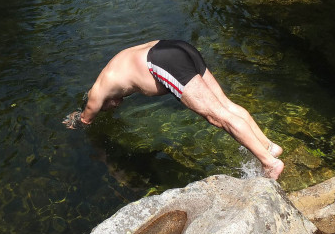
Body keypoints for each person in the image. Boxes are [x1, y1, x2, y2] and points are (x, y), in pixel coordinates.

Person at [64, 40, 284, 179]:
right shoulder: (112, 71)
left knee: (217, 116)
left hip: (163, 61)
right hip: (177, 47)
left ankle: (269, 163)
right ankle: (269, 147)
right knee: (225, 105)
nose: (116, 106)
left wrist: (76, 121)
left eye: (109, 107)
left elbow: (85, 120)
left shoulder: (97, 94)